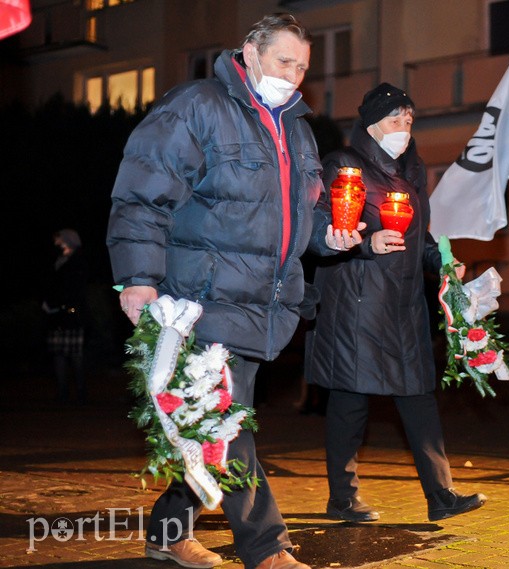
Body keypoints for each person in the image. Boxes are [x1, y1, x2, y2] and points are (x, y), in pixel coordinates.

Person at [107, 14, 364, 569]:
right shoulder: (197, 106)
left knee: (210, 424)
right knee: (228, 424)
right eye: (283, 62)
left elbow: (301, 215)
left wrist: (332, 234)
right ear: (250, 51)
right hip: (197, 300)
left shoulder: (296, 126)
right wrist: (138, 278)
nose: (293, 76)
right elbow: (141, 195)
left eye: (302, 67)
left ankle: (168, 532)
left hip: (262, 303)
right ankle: (266, 546)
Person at [304, 83, 487, 524]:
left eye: (408, 120)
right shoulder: (343, 165)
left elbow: (417, 238)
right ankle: (342, 498)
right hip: (357, 302)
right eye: (394, 119)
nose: (403, 127)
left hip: (404, 306)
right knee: (351, 399)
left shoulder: (410, 174)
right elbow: (318, 226)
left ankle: (440, 494)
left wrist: (443, 262)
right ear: (370, 123)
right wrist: (366, 242)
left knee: (418, 394)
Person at [42, 228, 87, 404]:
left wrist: (61, 303)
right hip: (56, 315)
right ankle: (62, 393)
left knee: (76, 355)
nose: (56, 243)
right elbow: (50, 284)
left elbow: (75, 289)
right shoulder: (58, 259)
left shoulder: (77, 261)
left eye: (59, 239)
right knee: (58, 354)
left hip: (72, 315)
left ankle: (81, 393)